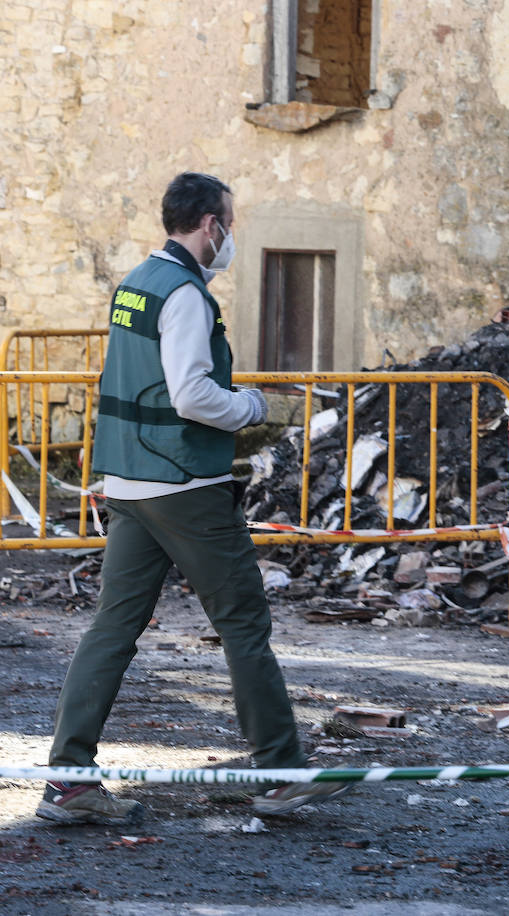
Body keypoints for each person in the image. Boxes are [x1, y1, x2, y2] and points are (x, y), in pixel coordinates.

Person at [38, 172, 346, 826]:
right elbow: (191, 395)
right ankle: (280, 772)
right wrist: (256, 407)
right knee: (243, 624)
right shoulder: (185, 294)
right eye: (228, 223)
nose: (229, 235)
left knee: (112, 630)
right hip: (185, 485)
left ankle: (68, 780)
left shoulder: (136, 284)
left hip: (129, 482)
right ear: (211, 225)